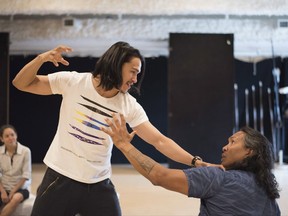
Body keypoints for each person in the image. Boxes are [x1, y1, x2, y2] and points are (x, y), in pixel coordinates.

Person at [12, 42, 208, 216]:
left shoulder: (128, 105)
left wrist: (195, 161)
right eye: (133, 71)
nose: (135, 78)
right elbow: (21, 83)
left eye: (138, 73)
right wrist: (41, 59)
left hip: (98, 184)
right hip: (60, 177)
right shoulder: (74, 82)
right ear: (116, 63)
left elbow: (159, 141)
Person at [101, 113, 281, 216]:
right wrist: (196, 162)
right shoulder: (265, 188)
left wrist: (124, 145)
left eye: (233, 142)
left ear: (250, 151)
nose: (225, 147)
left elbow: (159, 176)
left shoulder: (217, 177)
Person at [0, 124, 32, 216]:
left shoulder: (26, 151)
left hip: (20, 188)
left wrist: (13, 191)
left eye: (12, 135)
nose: (10, 138)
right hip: (4, 187)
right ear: (2, 139)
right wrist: (2, 192)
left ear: (16, 135)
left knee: (16, 198)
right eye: (7, 136)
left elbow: (26, 175)